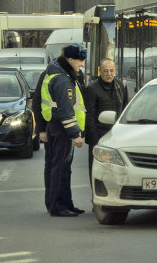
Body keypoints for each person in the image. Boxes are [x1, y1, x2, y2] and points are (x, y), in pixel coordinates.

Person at [41, 43, 89, 217]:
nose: (82, 63)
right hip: (62, 129)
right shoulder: (62, 79)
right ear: (70, 59)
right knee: (60, 168)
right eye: (80, 60)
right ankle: (58, 206)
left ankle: (66, 203)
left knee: (61, 168)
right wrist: (75, 134)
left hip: (54, 126)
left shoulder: (56, 72)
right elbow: (66, 110)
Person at [84, 58, 128, 177]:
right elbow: (89, 117)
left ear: (115, 71)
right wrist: (94, 141)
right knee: (99, 173)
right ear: (100, 71)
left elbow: (125, 111)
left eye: (111, 71)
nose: (109, 74)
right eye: (105, 71)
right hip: (99, 137)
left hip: (117, 136)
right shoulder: (92, 89)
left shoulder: (120, 86)